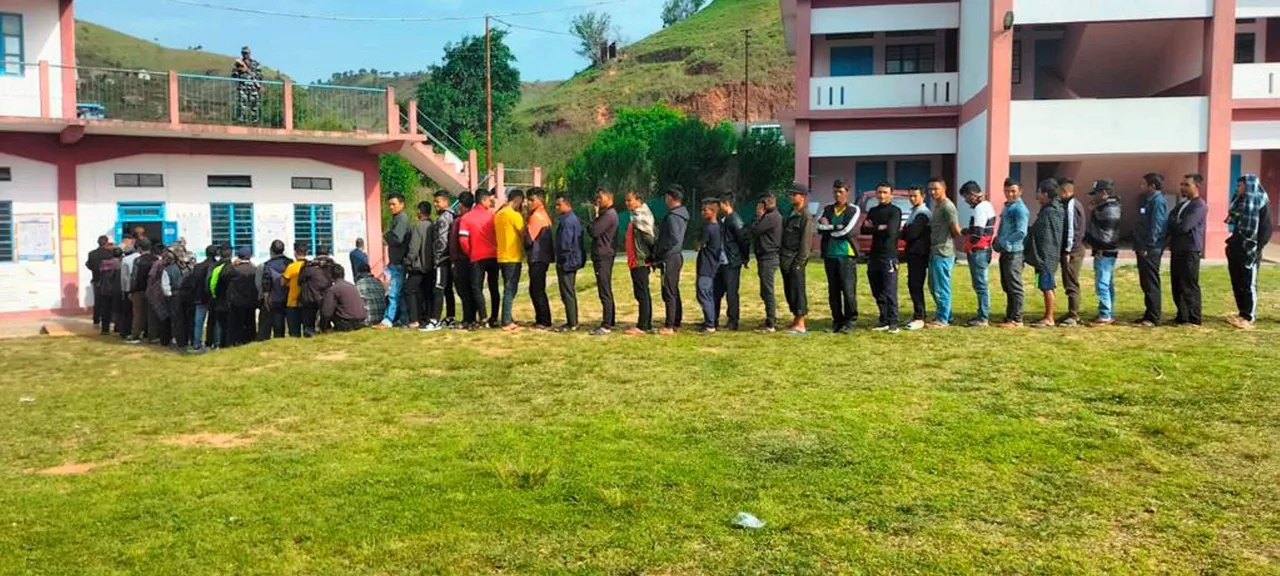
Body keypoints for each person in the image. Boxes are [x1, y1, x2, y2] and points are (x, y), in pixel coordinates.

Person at [1227, 174, 1274, 330]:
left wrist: (1255, 249)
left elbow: (1265, 231)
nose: (1237, 189)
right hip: (1236, 248)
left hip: (1251, 249)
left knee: (1248, 283)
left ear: (1249, 187)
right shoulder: (1240, 203)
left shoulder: (1260, 203)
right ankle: (1241, 312)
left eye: (1240, 186)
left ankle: (1249, 316)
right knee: (1237, 282)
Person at [818, 180, 861, 334]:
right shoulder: (828, 209)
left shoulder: (853, 210)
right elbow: (819, 227)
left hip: (846, 254)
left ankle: (850, 320)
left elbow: (847, 231)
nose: (837, 195)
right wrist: (834, 227)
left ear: (847, 192)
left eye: (840, 192)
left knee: (848, 289)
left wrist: (829, 228)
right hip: (830, 254)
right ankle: (837, 320)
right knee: (833, 290)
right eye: (835, 192)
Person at [1169, 174, 1208, 327]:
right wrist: (1175, 223)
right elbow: (1170, 220)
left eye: (1186, 184)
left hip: (1190, 250)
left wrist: (1176, 224)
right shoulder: (1183, 204)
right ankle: (1182, 315)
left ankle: (1193, 318)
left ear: (1196, 187)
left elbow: (1185, 227)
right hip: (1177, 248)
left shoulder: (1199, 206)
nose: (1182, 187)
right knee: (1177, 283)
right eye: (1182, 184)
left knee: (1189, 284)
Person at [863, 182, 903, 332]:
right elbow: (864, 229)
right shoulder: (873, 210)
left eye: (885, 192)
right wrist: (879, 227)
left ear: (891, 194)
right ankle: (883, 318)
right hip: (874, 255)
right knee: (876, 288)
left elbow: (892, 232)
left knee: (889, 289)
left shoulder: (895, 211)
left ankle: (893, 322)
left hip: (889, 256)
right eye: (879, 192)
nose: (882, 195)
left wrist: (876, 228)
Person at [1025, 179, 1065, 328]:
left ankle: (1049, 317)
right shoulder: (1056, 209)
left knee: (1047, 286)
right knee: (1045, 285)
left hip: (1046, 256)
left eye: (1039, 193)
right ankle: (1048, 315)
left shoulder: (1049, 212)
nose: (1037, 196)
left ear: (1046, 194)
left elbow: (1041, 233)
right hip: (1047, 255)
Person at [780, 183, 817, 335]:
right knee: (789, 291)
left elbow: (805, 242)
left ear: (803, 197)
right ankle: (795, 318)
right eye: (791, 194)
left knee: (797, 290)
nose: (791, 197)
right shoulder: (790, 213)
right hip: (786, 258)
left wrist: (799, 262)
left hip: (796, 259)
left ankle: (801, 322)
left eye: (795, 194)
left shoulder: (805, 216)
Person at [460, 189, 500, 328]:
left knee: (476, 287)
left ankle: (483, 317)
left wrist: (470, 252)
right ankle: (494, 317)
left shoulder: (466, 218)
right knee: (494, 287)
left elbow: (463, 240)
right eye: (489, 200)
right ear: (483, 200)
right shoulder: (492, 216)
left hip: (477, 256)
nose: (491, 202)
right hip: (493, 255)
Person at [1084, 180, 1122, 326]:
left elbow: (1104, 234)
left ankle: (1105, 314)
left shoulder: (1109, 209)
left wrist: (1093, 211)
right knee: (1107, 283)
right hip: (1106, 250)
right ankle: (1107, 312)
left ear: (1104, 193)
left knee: (1102, 283)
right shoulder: (1108, 207)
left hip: (1105, 250)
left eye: (1096, 194)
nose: (1094, 197)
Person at [1134, 173, 1169, 327]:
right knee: (1145, 282)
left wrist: (1149, 245)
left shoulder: (1158, 202)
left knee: (1151, 281)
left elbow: (1157, 225)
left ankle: (1154, 316)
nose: (1141, 187)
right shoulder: (1147, 201)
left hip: (1151, 248)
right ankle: (1148, 313)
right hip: (1143, 246)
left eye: (1144, 184)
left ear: (1152, 186)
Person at [993, 179, 1029, 328]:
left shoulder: (1020, 209)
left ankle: (1017, 319)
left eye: (1013, 191)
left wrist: (1005, 242)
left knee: (1015, 286)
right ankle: (1009, 317)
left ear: (1020, 191)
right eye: (1007, 191)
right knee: (1007, 285)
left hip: (1014, 252)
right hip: (1005, 251)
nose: (1010, 194)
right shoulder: (1008, 207)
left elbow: (1021, 232)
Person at [655, 185, 690, 335]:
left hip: (670, 257)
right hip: (676, 256)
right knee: (673, 289)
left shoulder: (673, 217)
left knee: (668, 291)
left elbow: (673, 238)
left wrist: (659, 252)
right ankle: (676, 321)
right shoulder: (682, 214)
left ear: (670, 197)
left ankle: (669, 325)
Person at [927, 177, 961, 329]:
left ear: (943, 189)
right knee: (933, 286)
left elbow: (956, 229)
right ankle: (947, 313)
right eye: (930, 189)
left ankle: (943, 319)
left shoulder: (948, 207)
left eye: (935, 189)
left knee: (941, 286)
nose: (932, 192)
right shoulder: (938, 206)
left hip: (944, 252)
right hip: (935, 250)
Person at [961, 180, 996, 327]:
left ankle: (983, 317)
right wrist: (967, 230)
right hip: (985, 249)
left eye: (965, 197)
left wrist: (969, 240)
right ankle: (982, 314)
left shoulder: (980, 208)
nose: (965, 200)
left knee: (980, 285)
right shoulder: (987, 205)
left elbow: (978, 234)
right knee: (981, 284)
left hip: (979, 251)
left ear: (972, 194)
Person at [713, 196, 749, 331]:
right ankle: (712, 319)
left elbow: (744, 240)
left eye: (720, 204)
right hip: (722, 262)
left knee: (732, 292)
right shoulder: (724, 220)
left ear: (726, 204)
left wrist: (744, 258)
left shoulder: (735, 220)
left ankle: (733, 321)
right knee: (716, 292)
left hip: (732, 262)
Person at [423, 190, 458, 331]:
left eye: (438, 202)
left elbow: (442, 241)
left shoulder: (443, 218)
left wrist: (437, 258)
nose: (435, 204)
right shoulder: (453, 215)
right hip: (450, 259)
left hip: (442, 259)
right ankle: (450, 318)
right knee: (448, 289)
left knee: (439, 288)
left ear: (445, 202)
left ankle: (434, 320)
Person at [623, 191, 657, 335]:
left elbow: (650, 238)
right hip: (636, 260)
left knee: (642, 293)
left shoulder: (641, 216)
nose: (627, 203)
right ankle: (645, 323)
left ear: (638, 200)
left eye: (629, 200)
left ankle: (643, 325)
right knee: (641, 293)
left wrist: (650, 256)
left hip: (641, 260)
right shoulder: (635, 216)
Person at [495, 189, 527, 331]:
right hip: (512, 255)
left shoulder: (498, 214)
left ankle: (507, 316)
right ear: (518, 199)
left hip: (501, 255)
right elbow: (523, 233)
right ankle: (506, 320)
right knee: (510, 289)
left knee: (507, 287)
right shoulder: (514, 215)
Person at [1056, 178, 1087, 327]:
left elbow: (1071, 230)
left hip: (1072, 250)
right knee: (1068, 281)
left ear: (1065, 191)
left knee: (1071, 282)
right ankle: (1071, 312)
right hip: (1072, 249)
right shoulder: (1070, 204)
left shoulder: (1071, 206)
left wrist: (1068, 251)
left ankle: (1074, 315)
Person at [751, 196, 783, 332]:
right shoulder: (773, 216)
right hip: (766, 256)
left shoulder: (771, 217)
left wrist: (759, 216)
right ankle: (769, 320)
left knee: (767, 290)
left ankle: (771, 322)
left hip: (769, 256)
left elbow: (755, 230)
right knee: (765, 290)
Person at [378, 193, 411, 329]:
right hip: (396, 261)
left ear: (402, 204)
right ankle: (403, 319)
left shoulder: (401, 218)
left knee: (393, 292)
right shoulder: (396, 218)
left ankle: (388, 319)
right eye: (389, 204)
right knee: (400, 293)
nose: (391, 207)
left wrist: (385, 236)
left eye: (394, 204)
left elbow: (397, 238)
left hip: (399, 262)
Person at [524, 188, 555, 331]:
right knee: (538, 289)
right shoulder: (545, 214)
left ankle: (544, 320)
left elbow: (529, 240)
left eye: (531, 200)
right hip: (543, 257)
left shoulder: (535, 216)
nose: (528, 203)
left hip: (537, 257)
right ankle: (542, 319)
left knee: (536, 289)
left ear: (540, 200)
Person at [901, 187, 931, 331]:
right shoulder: (914, 212)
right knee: (912, 284)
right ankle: (917, 313)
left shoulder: (923, 213)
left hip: (920, 253)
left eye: (915, 196)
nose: (912, 199)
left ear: (923, 196)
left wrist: (906, 231)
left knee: (916, 284)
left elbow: (911, 233)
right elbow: (905, 232)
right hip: (912, 252)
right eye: (910, 196)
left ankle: (920, 316)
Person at [554, 194, 585, 332]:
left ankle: (572, 323)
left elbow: (565, 243)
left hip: (567, 261)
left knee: (567, 292)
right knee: (567, 291)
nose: (556, 208)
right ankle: (571, 321)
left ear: (567, 204)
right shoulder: (572, 219)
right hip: (571, 260)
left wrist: (561, 258)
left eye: (559, 205)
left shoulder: (567, 221)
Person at [590, 189, 619, 336]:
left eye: (600, 198)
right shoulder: (607, 214)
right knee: (605, 288)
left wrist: (595, 215)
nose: (598, 200)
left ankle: (606, 324)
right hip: (604, 255)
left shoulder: (608, 215)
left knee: (604, 290)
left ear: (609, 197)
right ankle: (610, 319)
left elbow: (594, 231)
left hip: (604, 256)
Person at [695, 198, 725, 333]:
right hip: (714, 265)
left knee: (703, 293)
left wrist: (698, 243)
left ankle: (710, 324)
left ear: (713, 212)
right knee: (709, 294)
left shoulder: (708, 228)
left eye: (705, 210)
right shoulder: (718, 227)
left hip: (706, 266)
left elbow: (698, 245)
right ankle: (711, 320)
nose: (702, 212)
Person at [221, 245, 258, 346]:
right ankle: (249, 341)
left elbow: (223, 275)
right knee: (250, 323)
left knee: (234, 324)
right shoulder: (254, 269)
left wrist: (232, 264)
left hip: (236, 302)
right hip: (250, 301)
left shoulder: (234, 269)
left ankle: (234, 342)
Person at [405, 201, 434, 330]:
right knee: (427, 293)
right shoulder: (433, 225)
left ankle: (414, 319)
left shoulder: (418, 227)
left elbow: (414, 248)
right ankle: (427, 318)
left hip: (418, 266)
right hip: (431, 266)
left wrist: (408, 261)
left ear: (419, 212)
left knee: (410, 291)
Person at [450, 192, 477, 329]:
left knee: (464, 290)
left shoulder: (461, 220)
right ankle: (471, 317)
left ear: (461, 204)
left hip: (462, 259)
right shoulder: (470, 218)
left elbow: (461, 242)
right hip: (469, 258)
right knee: (469, 290)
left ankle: (468, 318)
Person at [256, 240, 292, 340]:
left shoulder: (268, 265)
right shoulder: (290, 263)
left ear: (271, 250)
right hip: (290, 298)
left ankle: (279, 341)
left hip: (275, 299)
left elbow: (266, 283)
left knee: (278, 326)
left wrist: (266, 298)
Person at [298, 246, 335, 337]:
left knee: (309, 325)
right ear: (328, 254)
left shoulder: (308, 266)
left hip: (309, 298)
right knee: (326, 321)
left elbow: (299, 281)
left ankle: (309, 334)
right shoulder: (332, 265)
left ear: (316, 254)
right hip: (327, 298)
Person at [161, 244, 193, 351]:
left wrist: (170, 295)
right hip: (188, 295)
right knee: (188, 318)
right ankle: (189, 339)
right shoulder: (190, 268)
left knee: (178, 320)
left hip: (175, 296)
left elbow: (165, 287)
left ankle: (181, 341)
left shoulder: (168, 269)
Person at [127, 238, 158, 344]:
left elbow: (134, 277)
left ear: (139, 248)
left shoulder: (138, 260)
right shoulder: (156, 259)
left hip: (139, 289)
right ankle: (152, 335)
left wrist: (131, 290)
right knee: (152, 314)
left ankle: (135, 335)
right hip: (152, 290)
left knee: (138, 314)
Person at [321, 264, 368, 332]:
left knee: (327, 305)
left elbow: (326, 312)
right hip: (361, 321)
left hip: (346, 322)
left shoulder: (333, 289)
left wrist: (323, 326)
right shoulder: (352, 286)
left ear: (330, 276)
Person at [207, 244, 233, 347]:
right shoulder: (234, 266)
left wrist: (214, 296)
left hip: (219, 300)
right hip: (231, 301)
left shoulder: (216, 267)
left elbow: (211, 284)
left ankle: (219, 344)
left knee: (220, 325)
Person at [281, 242, 309, 338]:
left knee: (294, 333)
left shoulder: (291, 267)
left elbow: (282, 282)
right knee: (308, 331)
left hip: (293, 302)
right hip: (307, 302)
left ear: (295, 252)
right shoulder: (310, 265)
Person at [232, 45, 263, 124]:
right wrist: (239, 70)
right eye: (243, 53)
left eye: (246, 53)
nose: (245, 55)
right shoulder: (238, 64)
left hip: (253, 88)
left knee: (255, 105)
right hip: (243, 87)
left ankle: (255, 122)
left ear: (249, 53)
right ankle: (241, 121)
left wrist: (251, 74)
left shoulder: (255, 63)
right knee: (242, 105)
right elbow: (234, 75)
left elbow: (260, 76)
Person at [97, 246, 124, 336]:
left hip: (105, 289)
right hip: (116, 289)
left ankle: (105, 329)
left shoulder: (104, 263)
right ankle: (118, 327)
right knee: (118, 309)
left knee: (105, 310)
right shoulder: (120, 263)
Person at [86, 235, 112, 327]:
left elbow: (88, 264)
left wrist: (94, 269)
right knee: (107, 300)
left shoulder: (92, 254)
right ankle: (107, 320)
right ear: (106, 242)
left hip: (96, 279)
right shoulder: (109, 253)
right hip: (108, 280)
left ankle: (96, 319)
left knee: (97, 300)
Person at [354, 262, 387, 327]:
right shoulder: (378, 281)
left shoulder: (359, 283)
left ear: (359, 273)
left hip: (368, 319)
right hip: (381, 318)